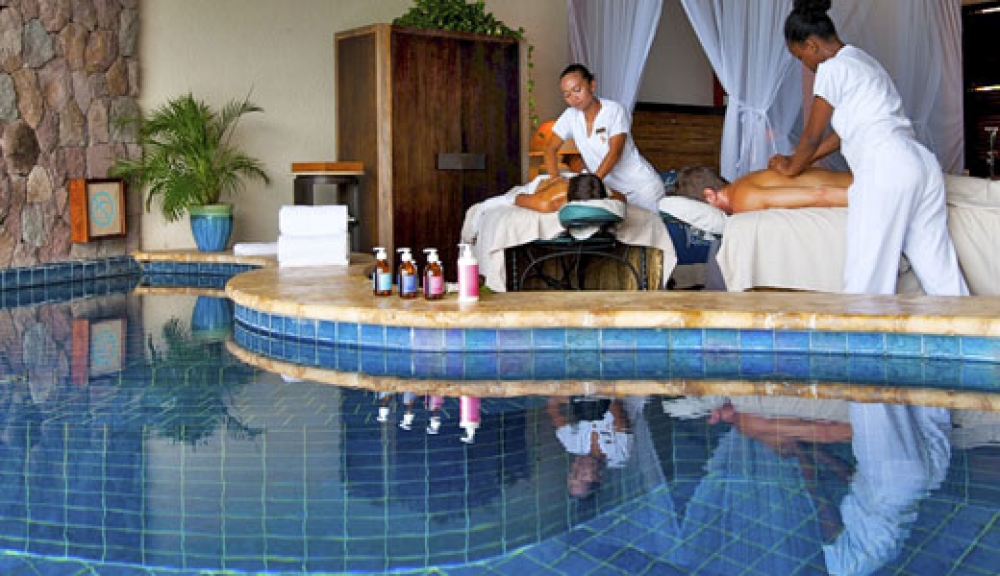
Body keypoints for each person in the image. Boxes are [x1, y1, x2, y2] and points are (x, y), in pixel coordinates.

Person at [768, 0, 968, 296]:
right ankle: (973, 323)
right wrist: (804, 161)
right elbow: (842, 134)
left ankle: (861, 328)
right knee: (940, 271)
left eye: (800, 57)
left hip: (886, 167)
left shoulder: (832, 68)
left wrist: (791, 167)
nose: (804, 65)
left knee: (867, 276)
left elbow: (811, 135)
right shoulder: (863, 61)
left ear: (811, 45)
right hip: (920, 165)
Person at [543, 64, 665, 213]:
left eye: (577, 90)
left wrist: (590, 185)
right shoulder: (570, 116)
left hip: (641, 189)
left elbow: (614, 153)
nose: (573, 98)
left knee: (647, 227)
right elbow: (550, 148)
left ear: (592, 85)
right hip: (612, 192)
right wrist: (554, 179)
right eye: (567, 95)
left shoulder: (614, 111)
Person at [546, 396, 633, 499]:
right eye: (582, 476)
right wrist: (584, 398)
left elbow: (552, 406)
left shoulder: (572, 444)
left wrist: (573, 398)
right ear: (597, 478)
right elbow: (618, 410)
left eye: (573, 473)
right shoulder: (619, 455)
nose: (577, 468)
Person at [674, 165, 852, 215]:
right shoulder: (745, 182)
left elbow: (820, 194)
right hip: (855, 180)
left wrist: (867, 199)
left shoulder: (742, 200)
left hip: (856, 192)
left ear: (709, 195)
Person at [513, 172, 625, 213]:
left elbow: (622, 197)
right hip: (541, 185)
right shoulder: (550, 202)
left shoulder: (597, 188)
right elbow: (518, 198)